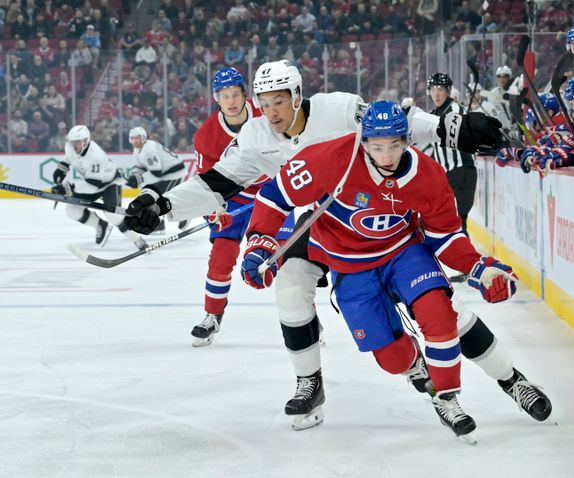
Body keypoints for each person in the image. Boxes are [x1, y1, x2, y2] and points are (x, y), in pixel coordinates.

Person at [123, 60, 549, 431]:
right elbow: (216, 183)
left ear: (297, 94)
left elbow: (393, 123)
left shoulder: (339, 109)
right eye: (264, 102)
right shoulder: (254, 137)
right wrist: (162, 204)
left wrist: (445, 128)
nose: (271, 112)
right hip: (313, 227)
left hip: (376, 225)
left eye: (279, 100)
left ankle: (513, 380)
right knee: (289, 290)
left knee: (444, 314)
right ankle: (311, 384)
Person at [240, 100, 520, 442]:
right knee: (389, 358)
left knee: (442, 313)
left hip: (402, 252)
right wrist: (259, 241)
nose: (386, 156)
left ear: (406, 141)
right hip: (347, 261)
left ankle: (469, 392)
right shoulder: (330, 159)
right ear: (363, 141)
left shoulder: (426, 174)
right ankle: (411, 364)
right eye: (377, 147)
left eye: (394, 146)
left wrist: (479, 268)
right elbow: (275, 193)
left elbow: (446, 236)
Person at [189, 67, 265, 347]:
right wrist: (215, 207)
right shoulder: (207, 135)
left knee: (283, 261)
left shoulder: (266, 115)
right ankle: (212, 315)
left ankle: (307, 319)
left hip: (272, 196)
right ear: (215, 98)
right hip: (233, 199)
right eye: (224, 96)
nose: (231, 101)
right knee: (221, 257)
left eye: (236, 94)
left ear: (246, 95)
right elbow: (207, 182)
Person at [52, 125, 146, 250]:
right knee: (72, 210)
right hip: (92, 183)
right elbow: (67, 160)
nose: (74, 146)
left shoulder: (95, 155)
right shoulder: (70, 147)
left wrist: (68, 189)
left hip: (109, 184)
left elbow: (92, 186)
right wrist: (60, 173)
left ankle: (138, 241)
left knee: (113, 216)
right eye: (72, 142)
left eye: (77, 143)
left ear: (85, 141)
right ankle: (100, 225)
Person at [421, 73, 478, 257]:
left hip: (462, 171)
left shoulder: (454, 109)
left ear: (448, 92)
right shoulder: (432, 114)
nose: (436, 94)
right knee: (450, 219)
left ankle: (468, 263)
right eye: (433, 89)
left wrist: (417, 118)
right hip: (447, 175)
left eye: (440, 90)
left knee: (458, 219)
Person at [127, 126, 188, 233]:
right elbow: (142, 167)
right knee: (156, 197)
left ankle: (185, 215)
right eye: (133, 138)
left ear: (143, 137)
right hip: (166, 173)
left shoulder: (149, 149)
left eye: (137, 138)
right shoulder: (138, 150)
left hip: (174, 172)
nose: (135, 140)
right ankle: (160, 223)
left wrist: (139, 179)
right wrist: (134, 174)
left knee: (164, 197)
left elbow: (157, 173)